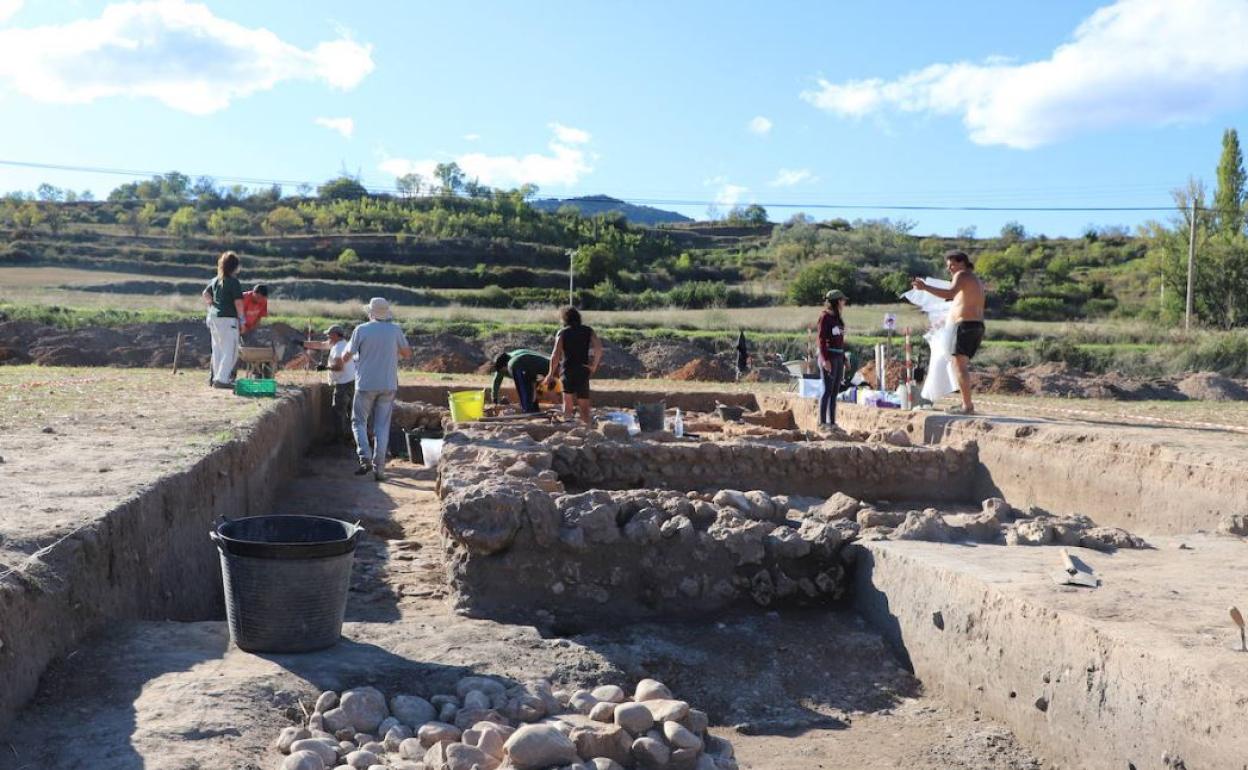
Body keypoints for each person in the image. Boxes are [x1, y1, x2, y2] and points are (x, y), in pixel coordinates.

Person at [343, 297, 412, 480]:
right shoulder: (395, 330)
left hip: (365, 384)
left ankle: (364, 456)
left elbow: (346, 356)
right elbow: (407, 354)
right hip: (388, 384)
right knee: (382, 427)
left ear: (371, 313)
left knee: (359, 422)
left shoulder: (361, 329)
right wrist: (391, 352)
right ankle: (379, 470)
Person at [912, 250, 986, 415]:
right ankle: (966, 404)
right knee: (959, 363)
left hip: (965, 325)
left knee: (958, 364)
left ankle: (967, 406)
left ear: (962, 263)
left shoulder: (961, 276)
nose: (950, 269)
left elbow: (949, 293)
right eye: (948, 266)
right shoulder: (975, 280)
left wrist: (925, 287)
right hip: (976, 325)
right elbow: (957, 299)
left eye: (952, 264)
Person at [543, 306, 603, 425]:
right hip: (583, 369)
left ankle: (568, 425)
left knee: (568, 402)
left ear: (565, 319)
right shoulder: (588, 330)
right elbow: (599, 348)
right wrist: (594, 365)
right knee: (584, 404)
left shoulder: (563, 332)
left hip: (567, 370)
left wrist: (550, 374)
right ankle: (586, 428)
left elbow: (555, 354)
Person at [303, 325, 356, 443]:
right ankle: (350, 436)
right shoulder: (341, 343)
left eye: (329, 335)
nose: (327, 337)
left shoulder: (338, 348)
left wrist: (325, 367)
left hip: (343, 383)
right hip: (350, 381)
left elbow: (339, 367)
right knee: (350, 411)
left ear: (336, 335)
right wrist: (303, 343)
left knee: (338, 411)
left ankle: (339, 439)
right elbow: (321, 345)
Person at [201, 251, 245, 389]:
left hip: (214, 318)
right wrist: (242, 320)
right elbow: (238, 303)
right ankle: (222, 379)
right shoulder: (233, 282)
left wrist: (212, 305)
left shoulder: (215, 280)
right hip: (228, 319)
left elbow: (205, 294)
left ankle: (216, 378)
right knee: (230, 351)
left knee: (217, 349)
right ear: (235, 267)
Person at [816, 289, 849, 427]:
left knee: (835, 391)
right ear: (837, 302)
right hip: (829, 356)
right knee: (827, 390)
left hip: (838, 356)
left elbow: (840, 341)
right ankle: (823, 422)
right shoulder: (825, 317)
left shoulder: (838, 318)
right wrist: (825, 360)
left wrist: (844, 358)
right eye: (842, 300)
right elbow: (821, 340)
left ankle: (832, 422)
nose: (844, 303)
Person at [491, 349, 551, 414]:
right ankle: (530, 409)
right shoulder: (501, 365)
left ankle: (530, 409)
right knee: (528, 389)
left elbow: (532, 381)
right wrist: (494, 398)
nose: (505, 373)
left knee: (527, 389)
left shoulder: (517, 359)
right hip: (526, 367)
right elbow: (497, 381)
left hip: (529, 366)